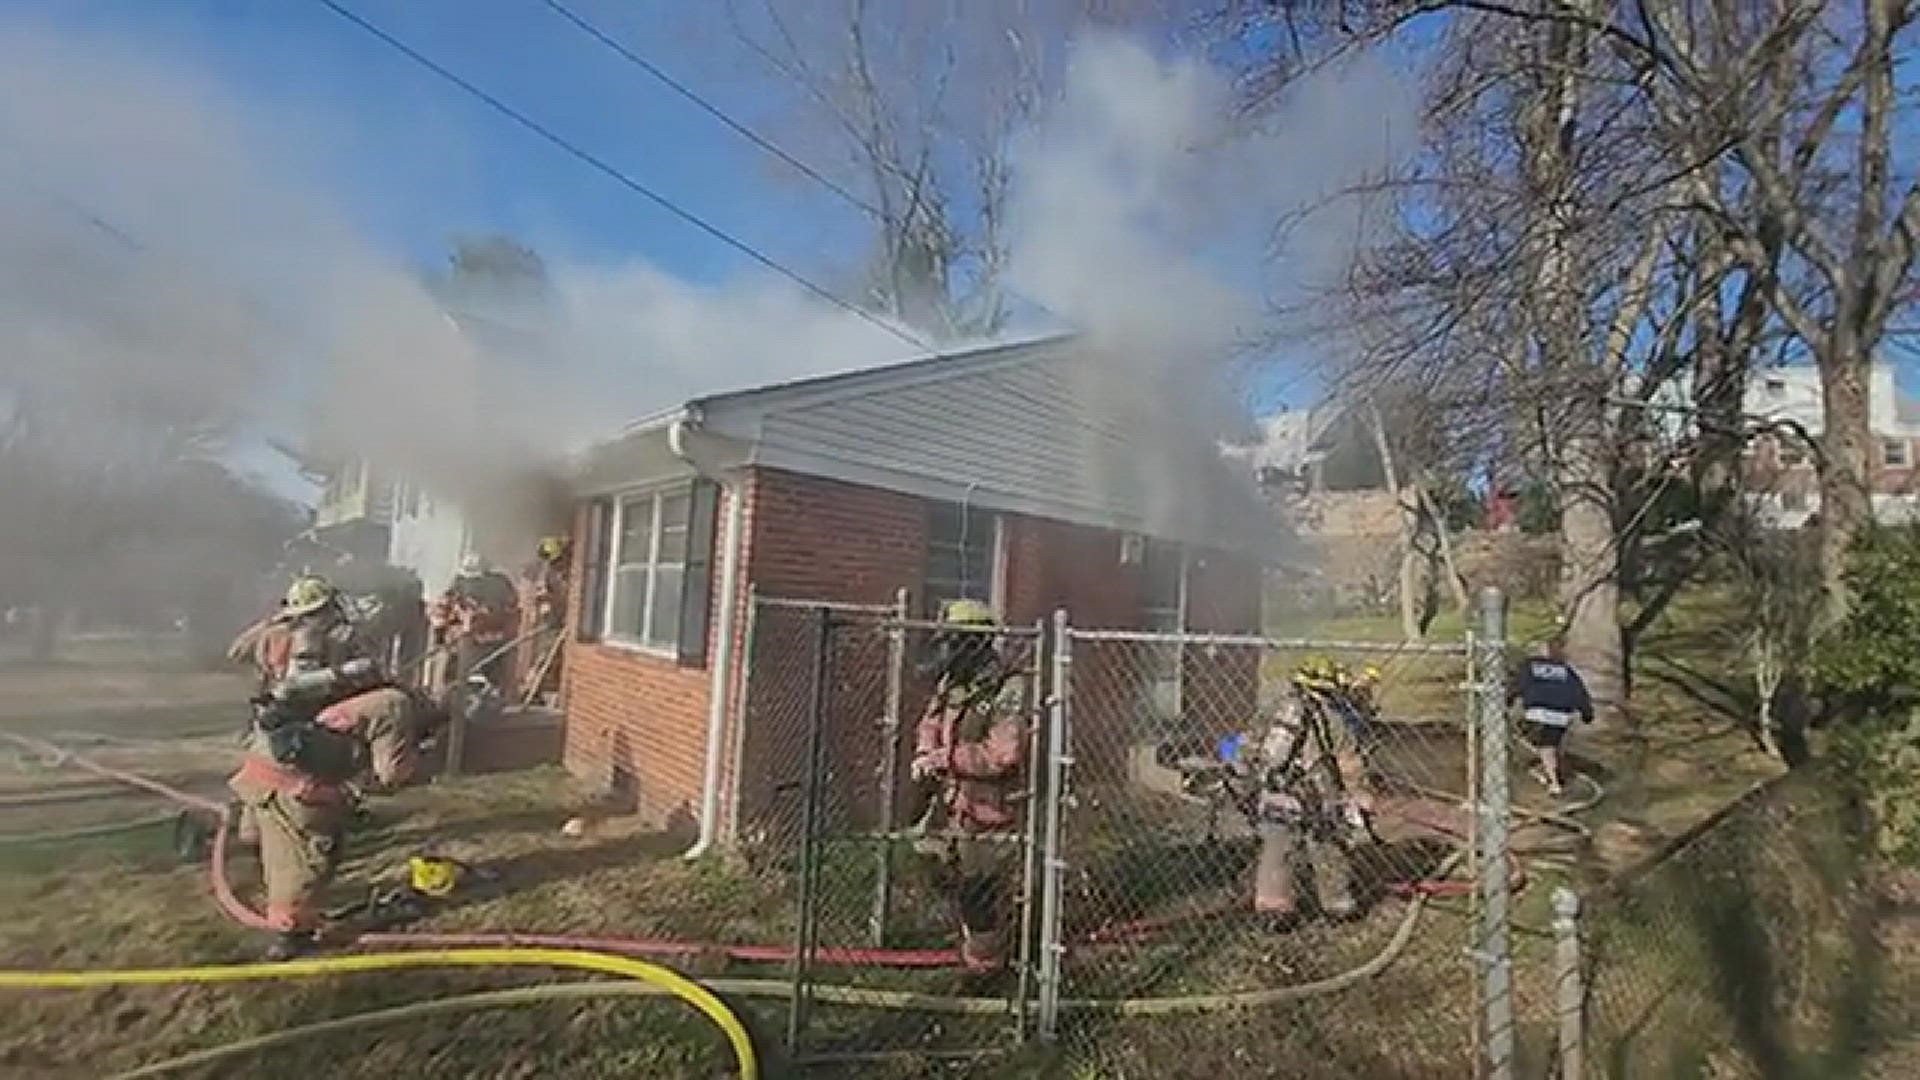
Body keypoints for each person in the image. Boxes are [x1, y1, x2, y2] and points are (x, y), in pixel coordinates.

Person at [229, 574, 429, 959]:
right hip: (301, 753)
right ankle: (290, 934)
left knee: (261, 827)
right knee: (308, 855)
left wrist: (273, 623)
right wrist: (347, 674)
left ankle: (270, 873)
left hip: (269, 743)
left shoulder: (274, 635)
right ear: (322, 611)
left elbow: (238, 652)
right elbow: (313, 683)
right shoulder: (323, 640)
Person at [909, 598, 1032, 972]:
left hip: (992, 809)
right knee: (934, 862)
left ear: (975, 643)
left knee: (981, 891)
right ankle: (970, 940)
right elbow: (930, 721)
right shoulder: (953, 682)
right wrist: (926, 751)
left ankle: (987, 969)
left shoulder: (1007, 688)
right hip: (952, 802)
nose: (946, 649)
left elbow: (1003, 754)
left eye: (954, 641)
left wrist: (946, 758)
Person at [1244, 687, 1365, 925]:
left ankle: (1274, 910)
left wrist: (1253, 777)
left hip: (1277, 789)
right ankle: (1337, 906)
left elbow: (1249, 745)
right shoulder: (1331, 716)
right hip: (1317, 793)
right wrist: (1358, 791)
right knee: (1328, 845)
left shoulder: (1272, 708)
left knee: (1276, 848)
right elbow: (1347, 759)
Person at [1510, 635, 1594, 797]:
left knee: (1542, 746)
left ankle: (1553, 782)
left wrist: (1508, 700)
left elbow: (1519, 685)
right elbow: (1579, 692)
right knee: (1550, 744)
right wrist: (1587, 713)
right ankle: (1547, 770)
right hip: (1561, 716)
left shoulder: (1530, 666)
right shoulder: (1565, 670)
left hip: (1537, 713)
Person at [429, 553, 520, 699]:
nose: (473, 584)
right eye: (470, 580)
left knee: (499, 680)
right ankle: (454, 703)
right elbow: (442, 610)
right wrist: (440, 634)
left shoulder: (500, 587)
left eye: (477, 581)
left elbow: (511, 608)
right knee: (458, 678)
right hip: (466, 642)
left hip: (495, 643)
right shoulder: (457, 587)